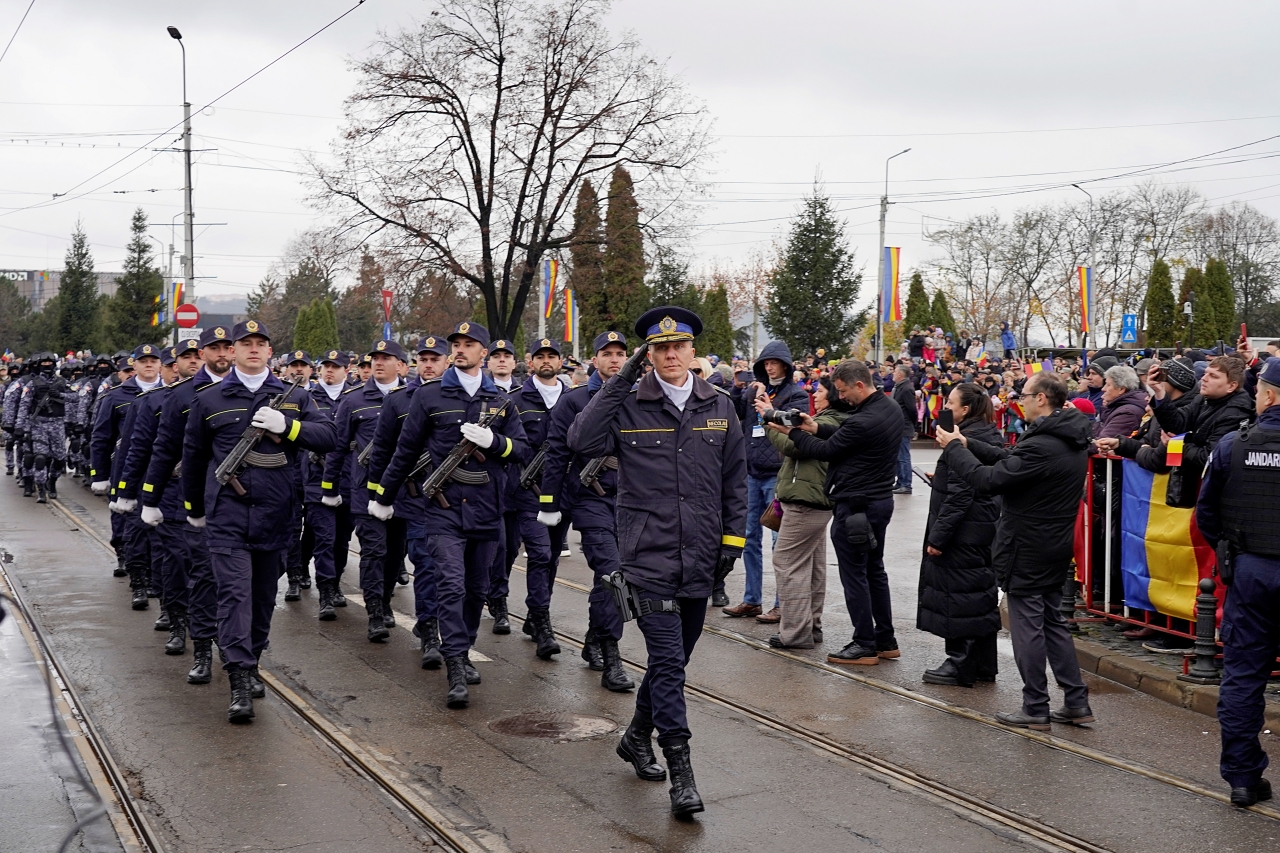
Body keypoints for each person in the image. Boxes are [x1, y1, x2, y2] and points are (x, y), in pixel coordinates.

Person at [568, 306, 746, 818]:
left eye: (679, 347)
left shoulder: (721, 406)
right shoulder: (629, 403)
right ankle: (682, 776)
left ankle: (635, 737)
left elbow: (735, 482)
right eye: (659, 348)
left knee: (675, 663)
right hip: (645, 557)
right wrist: (622, 378)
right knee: (668, 663)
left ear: (693, 352)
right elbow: (580, 441)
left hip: (701, 558)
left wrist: (731, 543)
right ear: (649, 355)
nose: (670, 355)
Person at [182, 320, 337, 723]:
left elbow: (329, 437)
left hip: (277, 512)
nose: (253, 349)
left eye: (260, 344)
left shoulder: (296, 397)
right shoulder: (210, 398)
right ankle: (237, 676)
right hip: (227, 516)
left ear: (271, 352)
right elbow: (194, 458)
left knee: (263, 596)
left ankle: (250, 660)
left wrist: (289, 427)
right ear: (230, 350)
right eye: (245, 343)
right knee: (234, 594)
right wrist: (194, 510)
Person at [371, 321, 529, 710]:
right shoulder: (429, 396)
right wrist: (382, 496)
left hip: (487, 509)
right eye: (456, 344)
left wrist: (496, 442)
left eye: (469, 344)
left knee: (477, 589)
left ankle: (465, 644)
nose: (460, 349)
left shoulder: (502, 401)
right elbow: (404, 452)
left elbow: (523, 450)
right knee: (451, 585)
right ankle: (456, 662)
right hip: (441, 510)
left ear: (484, 353)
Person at [937, 371, 1093, 730]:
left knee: (1027, 627)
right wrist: (967, 444)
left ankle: (1035, 705)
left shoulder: (1043, 443)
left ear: (1042, 398)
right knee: (1053, 622)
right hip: (1053, 542)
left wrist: (954, 450)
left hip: (1028, 545)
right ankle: (1076, 701)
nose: (1018, 401)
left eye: (1023, 395)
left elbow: (990, 481)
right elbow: (1010, 459)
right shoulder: (1067, 437)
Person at [1197, 357, 1280, 807]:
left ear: (1266, 395)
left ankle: (1244, 779)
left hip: (1251, 571)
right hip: (1253, 563)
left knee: (1244, 677)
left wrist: (1237, 549)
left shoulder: (1234, 444)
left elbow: (1206, 513)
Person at [787, 360, 902, 665]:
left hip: (855, 507)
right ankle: (885, 640)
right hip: (878, 502)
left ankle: (864, 643)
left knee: (854, 575)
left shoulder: (861, 421)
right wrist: (815, 427)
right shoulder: (888, 409)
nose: (842, 397)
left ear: (860, 385)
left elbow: (827, 451)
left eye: (843, 391)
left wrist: (793, 432)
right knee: (874, 571)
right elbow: (845, 438)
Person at [539, 330, 636, 691]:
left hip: (632, 502)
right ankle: (612, 658)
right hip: (591, 498)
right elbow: (557, 454)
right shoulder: (576, 400)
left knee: (617, 578)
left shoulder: (640, 398)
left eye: (620, 353)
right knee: (613, 575)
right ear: (593, 360)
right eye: (606, 353)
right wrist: (550, 504)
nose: (614, 359)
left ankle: (595, 637)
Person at [138, 326, 233, 684]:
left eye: (227, 347)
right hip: (185, 497)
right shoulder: (178, 397)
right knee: (190, 569)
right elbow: (159, 451)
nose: (214, 355)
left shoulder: (253, 391)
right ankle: (193, 637)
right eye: (194, 354)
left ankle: (239, 653)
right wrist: (147, 497)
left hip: (235, 500)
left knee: (235, 581)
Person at [115, 340, 203, 653]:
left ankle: (204, 621)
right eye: (186, 357)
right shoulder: (155, 401)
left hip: (211, 492)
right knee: (176, 555)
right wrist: (124, 491)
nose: (193, 361)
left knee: (205, 561)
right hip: (170, 489)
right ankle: (176, 618)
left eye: (197, 355)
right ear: (174, 363)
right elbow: (137, 449)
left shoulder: (221, 395)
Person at [324, 340, 409, 642]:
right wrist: (329, 487)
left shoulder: (414, 399)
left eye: (387, 358)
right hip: (365, 490)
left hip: (403, 491)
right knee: (374, 551)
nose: (379, 363)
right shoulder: (354, 400)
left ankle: (385, 600)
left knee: (397, 551)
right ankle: (374, 612)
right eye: (375, 358)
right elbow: (337, 446)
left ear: (401, 365)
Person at [917, 383, 1001, 687]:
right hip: (980, 528)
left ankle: (960, 663)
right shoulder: (987, 434)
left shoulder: (963, 440)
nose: (945, 407)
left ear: (965, 410)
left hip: (963, 532)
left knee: (959, 596)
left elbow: (960, 496)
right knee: (978, 594)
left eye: (950, 403)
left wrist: (938, 539)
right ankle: (983, 665)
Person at [759, 375, 849, 649]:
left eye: (820, 391)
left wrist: (767, 420)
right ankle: (811, 626)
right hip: (814, 500)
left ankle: (796, 632)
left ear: (833, 394)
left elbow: (791, 445)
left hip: (807, 502)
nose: (815, 395)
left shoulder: (831, 420)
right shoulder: (833, 418)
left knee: (787, 563)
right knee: (812, 567)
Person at [724, 340, 808, 619]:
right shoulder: (753, 391)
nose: (769, 367)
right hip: (751, 473)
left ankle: (781, 603)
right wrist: (740, 391)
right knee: (748, 539)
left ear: (785, 365)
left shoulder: (796, 394)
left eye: (773, 362)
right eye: (765, 363)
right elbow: (734, 413)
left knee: (778, 542)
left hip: (778, 475)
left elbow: (793, 426)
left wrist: (768, 404)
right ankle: (752, 599)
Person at [510, 338, 573, 659]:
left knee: (550, 557)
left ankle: (535, 614)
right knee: (539, 552)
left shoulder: (573, 399)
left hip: (562, 491)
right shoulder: (516, 399)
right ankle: (543, 622)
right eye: (540, 356)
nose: (546, 361)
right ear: (531, 362)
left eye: (552, 356)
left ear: (561, 362)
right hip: (528, 491)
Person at [92, 345, 164, 607]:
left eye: (153, 360)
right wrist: (99, 474)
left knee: (161, 532)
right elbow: (101, 437)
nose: (149, 365)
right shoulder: (116, 396)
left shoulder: (171, 394)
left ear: (161, 364)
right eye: (143, 361)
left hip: (162, 471)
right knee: (133, 529)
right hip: (127, 469)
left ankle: (158, 580)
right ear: (133, 365)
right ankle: (138, 582)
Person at [483, 338, 521, 634]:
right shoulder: (482, 393)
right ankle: (497, 600)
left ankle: (495, 590)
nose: (501, 361)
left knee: (511, 548)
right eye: (496, 356)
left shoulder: (523, 393)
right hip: (489, 484)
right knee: (496, 545)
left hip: (519, 485)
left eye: (506, 356)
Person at [14, 352, 68, 503]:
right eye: (43, 363)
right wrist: (20, 426)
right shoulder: (32, 384)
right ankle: (41, 490)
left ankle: (52, 482)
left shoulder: (62, 382)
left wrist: (61, 395)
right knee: (39, 458)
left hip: (57, 424)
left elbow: (77, 399)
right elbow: (24, 405)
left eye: (49, 363)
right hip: (38, 424)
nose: (46, 365)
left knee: (59, 459)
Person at [1093, 365, 1147, 441]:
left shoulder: (1127, 413)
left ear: (1121, 389)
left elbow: (1101, 443)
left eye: (1108, 385)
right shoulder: (1116, 407)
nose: (1103, 389)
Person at [891, 364, 917, 494]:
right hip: (897, 426)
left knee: (903, 457)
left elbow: (912, 409)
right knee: (898, 456)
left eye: (895, 372)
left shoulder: (906, 389)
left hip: (904, 426)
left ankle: (906, 484)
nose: (893, 374)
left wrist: (913, 425)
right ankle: (900, 482)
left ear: (900, 374)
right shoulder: (899, 387)